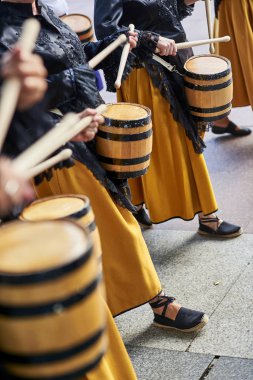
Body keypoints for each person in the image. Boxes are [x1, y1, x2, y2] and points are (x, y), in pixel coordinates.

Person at [0, 0, 209, 340]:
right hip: (48, 153)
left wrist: (112, 46)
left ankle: (153, 302)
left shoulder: (43, 12)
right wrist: (75, 83)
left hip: (77, 131)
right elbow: (18, 99)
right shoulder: (5, 27)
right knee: (110, 229)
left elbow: (76, 56)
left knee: (114, 225)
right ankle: (145, 306)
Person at [94, 0, 243, 238]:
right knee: (172, 140)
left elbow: (165, 14)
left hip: (175, 63)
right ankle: (207, 215)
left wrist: (185, 3)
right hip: (146, 73)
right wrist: (149, 39)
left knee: (176, 137)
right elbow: (107, 32)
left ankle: (137, 204)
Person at [212, 0, 252, 136]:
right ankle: (220, 119)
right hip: (238, 5)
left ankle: (220, 120)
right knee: (247, 58)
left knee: (233, 54)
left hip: (234, 6)